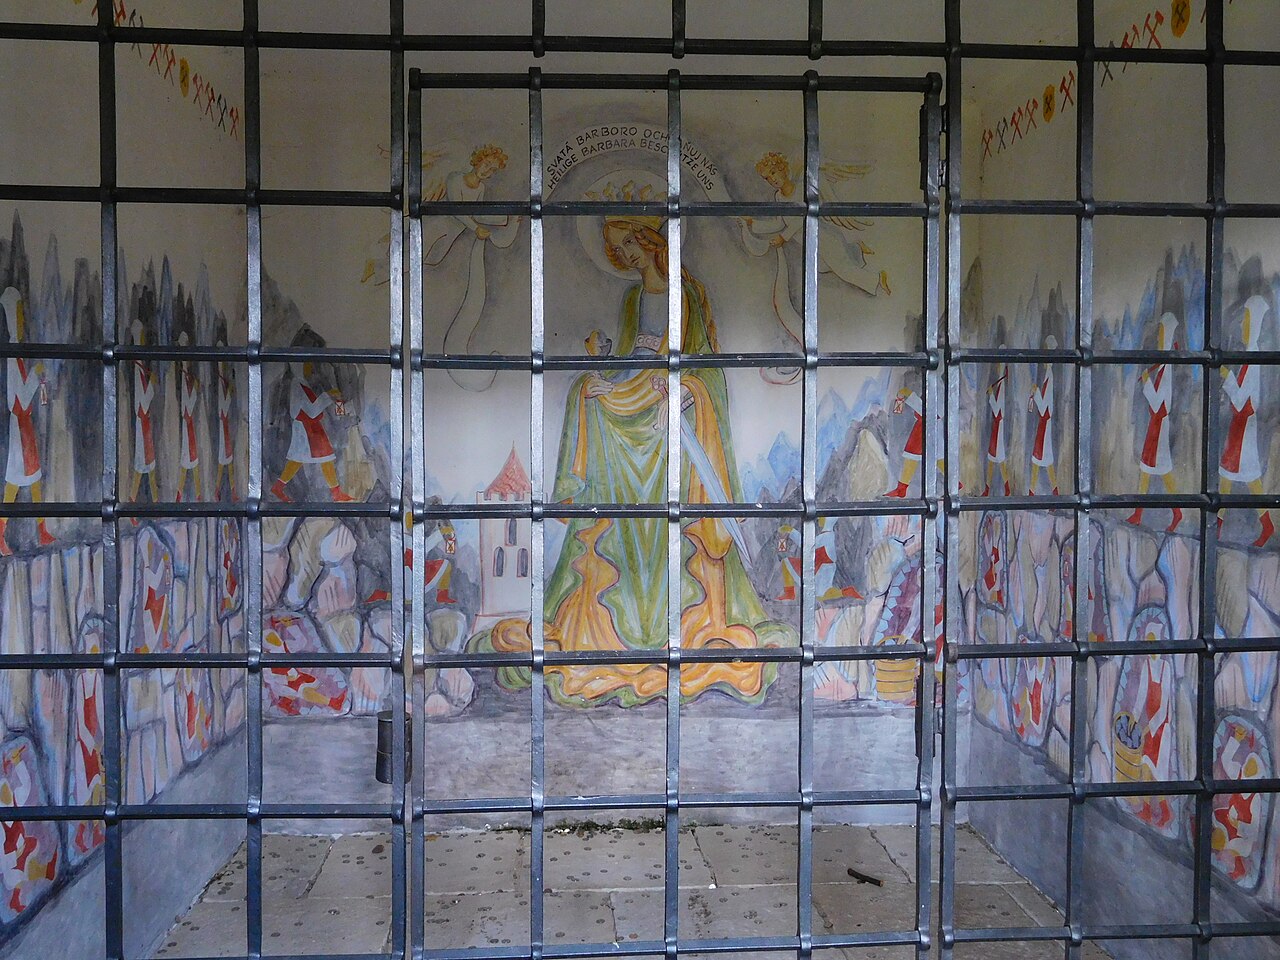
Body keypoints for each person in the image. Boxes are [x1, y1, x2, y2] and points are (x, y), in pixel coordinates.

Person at [484, 205, 791, 706]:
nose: (625, 254)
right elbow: (632, 361)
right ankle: (605, 620)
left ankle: (676, 625)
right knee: (586, 393)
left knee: (665, 500)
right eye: (617, 249)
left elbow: (703, 367)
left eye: (630, 243)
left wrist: (686, 391)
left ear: (651, 240)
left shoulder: (685, 295)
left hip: (667, 402)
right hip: (634, 397)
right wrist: (603, 368)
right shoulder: (632, 300)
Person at [0, 287, 54, 554]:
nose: (21, 321)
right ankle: (1, 533)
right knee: (13, 484)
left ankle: (42, 529)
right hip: (18, 427)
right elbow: (19, 398)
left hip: (25, 428)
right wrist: (35, 375)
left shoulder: (17, 354)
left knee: (34, 479)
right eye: (18, 316)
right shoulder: (12, 357)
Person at [1219, 295, 1274, 547]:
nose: (1242, 325)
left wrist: (1226, 376)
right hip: (1239, 428)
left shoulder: (1254, 358)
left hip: (1244, 429)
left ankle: (1266, 525)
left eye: (1246, 321)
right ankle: (1218, 525)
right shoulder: (1250, 356)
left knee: (1249, 479)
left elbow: (1244, 400)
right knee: (1228, 476)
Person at [1127, 314, 1181, 531]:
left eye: (1161, 333)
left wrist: (1146, 383)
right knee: (1148, 470)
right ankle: (1140, 513)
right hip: (1155, 426)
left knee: (1161, 472)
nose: (1159, 337)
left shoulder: (1166, 369)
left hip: (1160, 426)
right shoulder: (1163, 366)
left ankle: (1176, 513)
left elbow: (1159, 402)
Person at [1028, 336, 1059, 496]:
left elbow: (1045, 407)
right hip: (1043, 424)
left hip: (1045, 424)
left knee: (1046, 462)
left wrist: (1036, 392)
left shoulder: (1050, 376)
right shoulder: (1048, 375)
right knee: (1038, 460)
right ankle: (1032, 493)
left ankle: (1054, 493)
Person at [174, 331, 203, 502]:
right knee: (188, 461)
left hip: (189, 425)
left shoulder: (187, 377)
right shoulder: (184, 378)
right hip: (187, 424)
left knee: (192, 460)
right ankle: (181, 495)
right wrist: (196, 391)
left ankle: (196, 495)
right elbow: (187, 405)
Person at [982, 357, 1010, 497]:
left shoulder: (1002, 386)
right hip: (996, 428)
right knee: (992, 460)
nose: (998, 366)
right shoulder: (999, 384)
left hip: (999, 428)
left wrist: (991, 396)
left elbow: (998, 410)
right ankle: (988, 490)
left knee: (999, 460)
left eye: (1000, 364)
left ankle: (1007, 488)